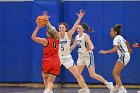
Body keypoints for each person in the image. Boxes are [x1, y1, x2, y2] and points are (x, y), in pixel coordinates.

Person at [44, 9, 90, 93]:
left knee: (77, 75)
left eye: (63, 27)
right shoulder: (56, 35)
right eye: (60, 27)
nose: (61, 28)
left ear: (65, 29)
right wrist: (47, 20)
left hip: (67, 58)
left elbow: (75, 26)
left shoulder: (68, 34)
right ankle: (48, 90)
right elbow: (50, 27)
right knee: (51, 76)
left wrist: (79, 18)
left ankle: (85, 89)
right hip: (57, 58)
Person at [70, 23, 114, 93]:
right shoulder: (77, 37)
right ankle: (84, 88)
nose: (78, 29)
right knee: (77, 74)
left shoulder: (85, 36)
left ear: (83, 29)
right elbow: (74, 45)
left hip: (88, 55)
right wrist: (68, 50)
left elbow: (92, 46)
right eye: (77, 28)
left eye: (79, 28)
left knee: (92, 74)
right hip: (80, 56)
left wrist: (90, 48)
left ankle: (108, 84)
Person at [99, 24, 131, 93]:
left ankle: (123, 89)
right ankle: (117, 87)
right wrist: (129, 51)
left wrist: (105, 52)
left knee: (114, 73)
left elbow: (115, 49)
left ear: (115, 32)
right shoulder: (120, 37)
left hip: (123, 55)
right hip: (126, 55)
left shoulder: (116, 38)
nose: (110, 33)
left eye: (111, 31)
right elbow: (127, 43)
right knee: (117, 72)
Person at [31, 22, 60, 93]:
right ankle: (48, 90)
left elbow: (33, 37)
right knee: (51, 81)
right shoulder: (57, 39)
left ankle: (47, 90)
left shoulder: (45, 41)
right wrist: (47, 22)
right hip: (56, 62)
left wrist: (38, 27)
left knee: (45, 77)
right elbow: (53, 30)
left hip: (47, 61)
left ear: (47, 33)